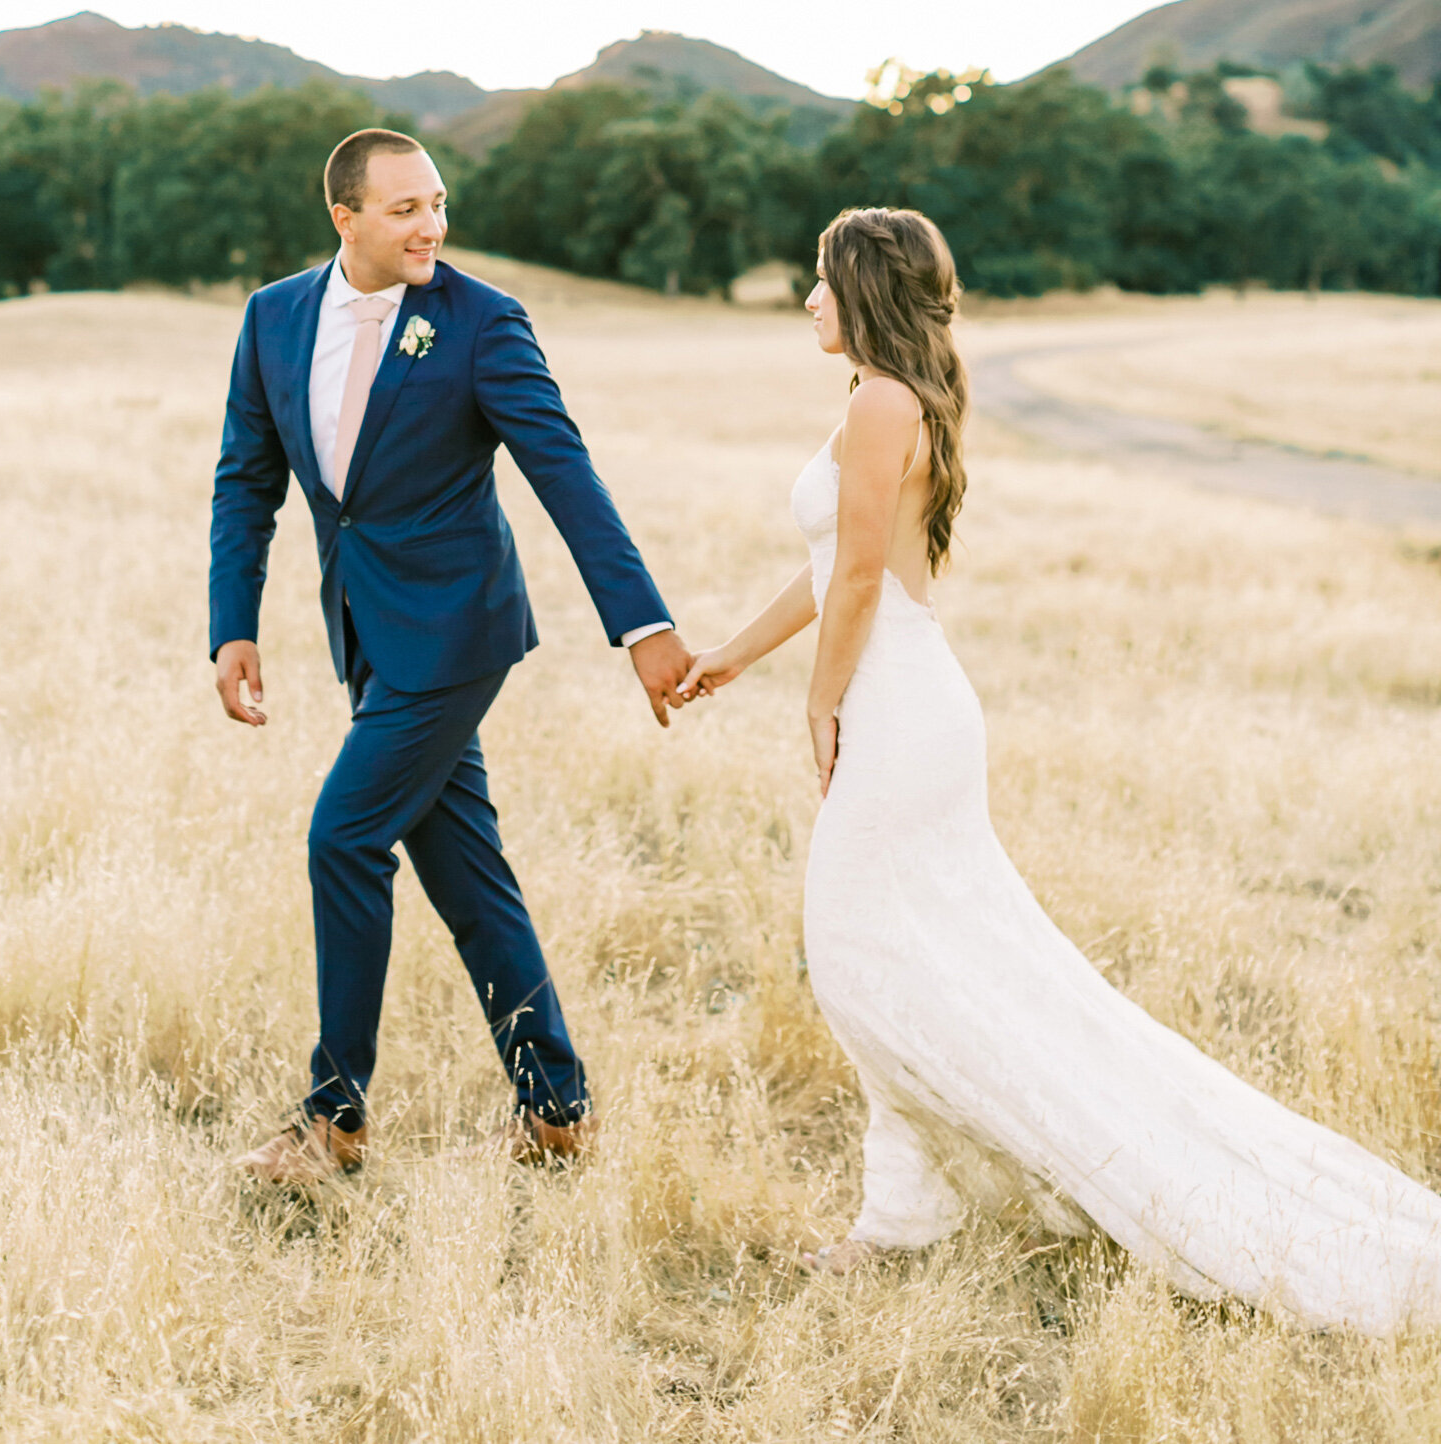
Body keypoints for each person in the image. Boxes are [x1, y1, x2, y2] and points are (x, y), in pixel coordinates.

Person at [681, 204, 1441, 1332]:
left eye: (821, 280)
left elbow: (854, 587)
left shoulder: (884, 402)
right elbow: (831, 565)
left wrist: (822, 697)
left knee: (860, 958)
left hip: (898, 710)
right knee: (895, 960)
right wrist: (730, 661)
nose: (806, 298)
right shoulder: (883, 398)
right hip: (908, 699)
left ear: (864, 291)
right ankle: (904, 1214)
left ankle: (1005, 1184)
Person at [209, 127, 691, 1181]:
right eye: (403, 209)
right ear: (345, 219)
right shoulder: (275, 316)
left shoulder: (480, 323)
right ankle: (555, 1107)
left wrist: (642, 625)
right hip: (364, 631)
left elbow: (564, 473)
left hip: (458, 632)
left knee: (343, 837)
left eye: (437, 203)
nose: (431, 225)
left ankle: (332, 1119)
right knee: (465, 873)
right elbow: (247, 478)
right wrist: (233, 624)